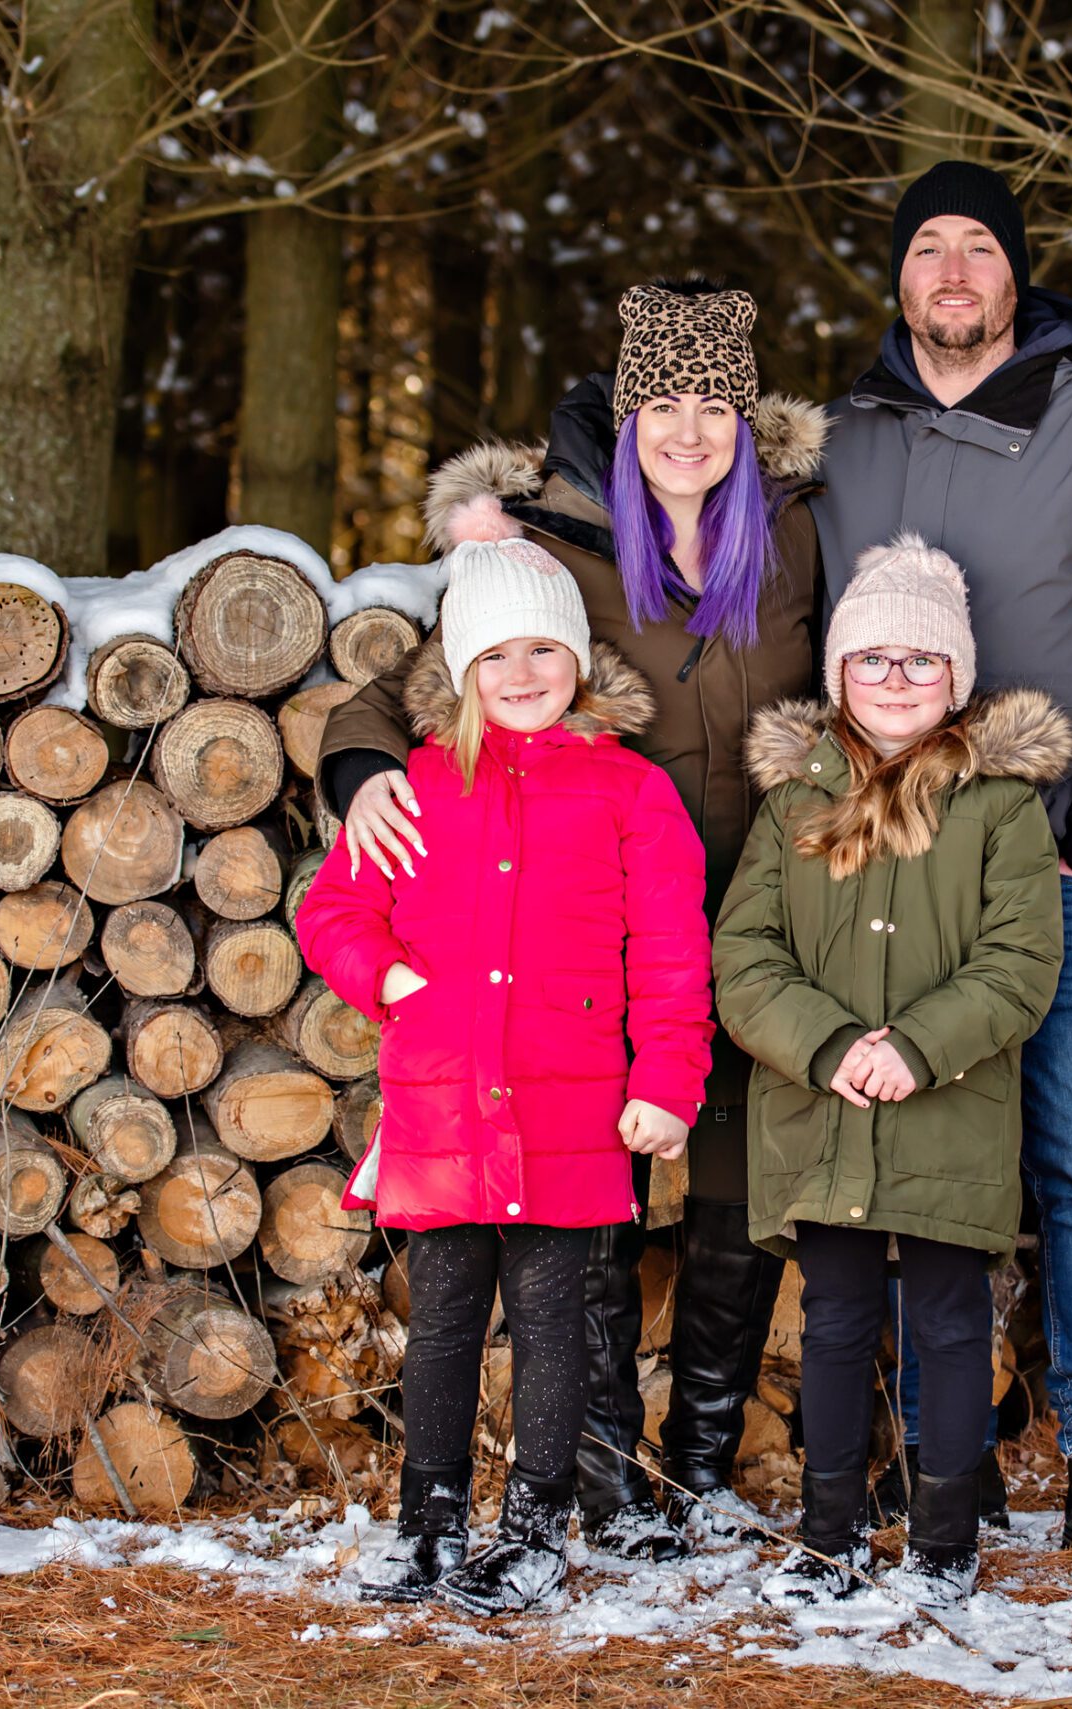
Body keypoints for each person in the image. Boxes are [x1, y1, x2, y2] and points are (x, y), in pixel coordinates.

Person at [315, 281, 826, 1557]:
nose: (689, 430)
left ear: (748, 421)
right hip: (583, 920)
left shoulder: (802, 536)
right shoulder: (562, 545)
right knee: (576, 1193)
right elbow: (411, 687)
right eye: (663, 402)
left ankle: (701, 1453)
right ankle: (596, 1463)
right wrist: (365, 767)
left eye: (716, 403)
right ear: (628, 413)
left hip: (761, 910)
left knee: (733, 1188)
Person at [809, 161, 1072, 1589]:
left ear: (1017, 276)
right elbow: (675, 501)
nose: (955, 271)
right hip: (887, 876)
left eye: (980, 246)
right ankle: (945, 1467)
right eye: (929, 246)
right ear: (902, 278)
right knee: (917, 1182)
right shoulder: (846, 442)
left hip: (1052, 872)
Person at [294, 525, 715, 1614]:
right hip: (442, 1099)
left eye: (542, 651)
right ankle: (426, 1521)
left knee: (553, 1321)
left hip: (572, 1101)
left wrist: (666, 1082)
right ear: (461, 670)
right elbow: (334, 908)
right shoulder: (417, 786)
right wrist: (386, 981)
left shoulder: (631, 792)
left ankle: (533, 1525)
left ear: (577, 659)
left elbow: (672, 952)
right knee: (440, 1319)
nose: (522, 675)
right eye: (495, 656)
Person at [715, 536, 1066, 1606]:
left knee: (951, 1320)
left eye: (921, 660)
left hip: (947, 1111)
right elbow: (745, 955)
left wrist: (917, 1045)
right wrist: (831, 1046)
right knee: (832, 1316)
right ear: (837, 675)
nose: (896, 680)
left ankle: (945, 1535)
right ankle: (827, 1532)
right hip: (821, 1112)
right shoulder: (790, 807)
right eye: (873, 659)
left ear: (956, 677)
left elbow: (1019, 962)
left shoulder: (1000, 809)